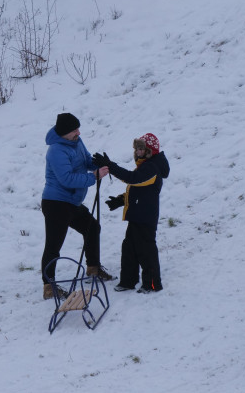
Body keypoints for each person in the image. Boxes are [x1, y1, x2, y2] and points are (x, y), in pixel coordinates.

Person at [41, 112, 113, 299]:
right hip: (56, 203)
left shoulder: (76, 142)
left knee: (92, 228)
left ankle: (93, 268)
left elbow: (86, 160)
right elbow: (67, 179)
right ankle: (49, 287)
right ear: (64, 132)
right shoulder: (56, 150)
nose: (78, 133)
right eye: (74, 130)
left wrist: (97, 163)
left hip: (72, 201)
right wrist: (93, 177)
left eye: (78, 128)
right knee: (54, 245)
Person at [92, 133, 169, 293]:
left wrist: (110, 166)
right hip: (137, 215)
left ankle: (152, 284)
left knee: (146, 251)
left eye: (142, 149)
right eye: (137, 149)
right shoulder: (146, 166)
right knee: (129, 249)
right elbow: (139, 191)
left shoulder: (152, 168)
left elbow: (132, 179)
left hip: (145, 218)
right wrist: (120, 201)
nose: (138, 152)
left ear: (150, 150)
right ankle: (128, 281)